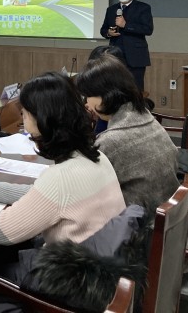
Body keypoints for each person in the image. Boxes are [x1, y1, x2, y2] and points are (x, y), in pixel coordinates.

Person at [0, 72, 125, 250]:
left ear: (43, 119)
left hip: (73, 274)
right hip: (103, 264)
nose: (23, 122)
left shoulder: (60, 177)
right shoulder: (96, 157)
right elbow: (44, 195)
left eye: (25, 114)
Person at [75, 54, 179, 211]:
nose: (86, 103)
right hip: (166, 215)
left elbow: (82, 190)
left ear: (104, 96)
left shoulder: (111, 141)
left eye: (87, 96)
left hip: (139, 222)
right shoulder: (146, 117)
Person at [99, 0, 153, 91]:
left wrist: (125, 25)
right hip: (114, 56)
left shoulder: (143, 8)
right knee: (114, 89)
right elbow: (103, 30)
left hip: (135, 56)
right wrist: (109, 32)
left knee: (135, 89)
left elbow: (148, 29)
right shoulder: (111, 9)